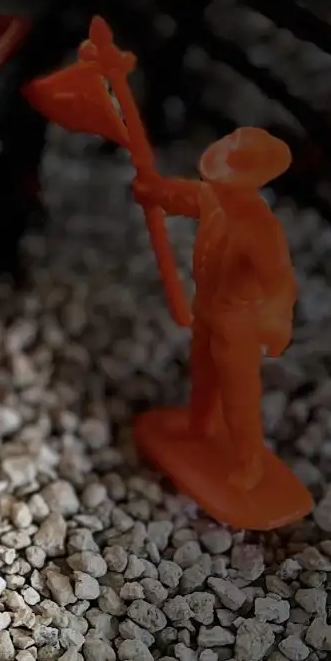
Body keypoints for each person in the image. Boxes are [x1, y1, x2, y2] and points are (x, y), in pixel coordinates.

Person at [131, 127, 296, 494]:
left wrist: (275, 319)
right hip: (206, 308)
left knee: (238, 395)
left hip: (238, 322)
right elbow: (182, 195)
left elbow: (279, 282)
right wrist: (153, 191)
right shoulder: (213, 200)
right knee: (203, 372)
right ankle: (199, 424)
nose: (218, 184)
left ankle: (249, 461)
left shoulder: (260, 231)